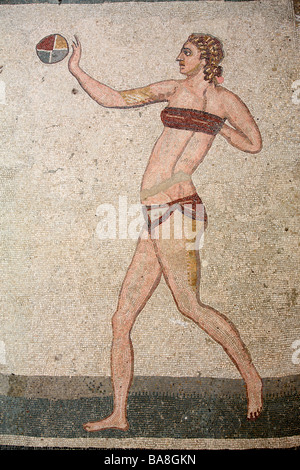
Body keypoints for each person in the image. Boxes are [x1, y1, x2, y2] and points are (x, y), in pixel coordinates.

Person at [68, 33, 263, 432]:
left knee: (189, 305)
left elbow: (254, 143)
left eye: (186, 53)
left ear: (206, 59)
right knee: (121, 318)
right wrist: (75, 68)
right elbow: (115, 98)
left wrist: (222, 130)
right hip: (155, 210)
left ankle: (253, 380)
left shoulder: (225, 100)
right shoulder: (172, 89)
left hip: (178, 210)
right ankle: (119, 414)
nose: (179, 58)